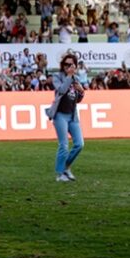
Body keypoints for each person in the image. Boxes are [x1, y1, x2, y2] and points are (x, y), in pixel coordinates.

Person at [46, 53, 85, 182]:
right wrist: (69, 77)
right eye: (66, 64)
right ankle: (60, 174)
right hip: (60, 114)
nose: (68, 67)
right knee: (63, 145)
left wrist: (81, 91)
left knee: (79, 144)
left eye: (71, 64)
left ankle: (66, 167)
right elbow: (61, 90)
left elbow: (77, 99)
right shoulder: (57, 77)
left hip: (72, 115)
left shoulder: (76, 79)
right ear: (62, 65)